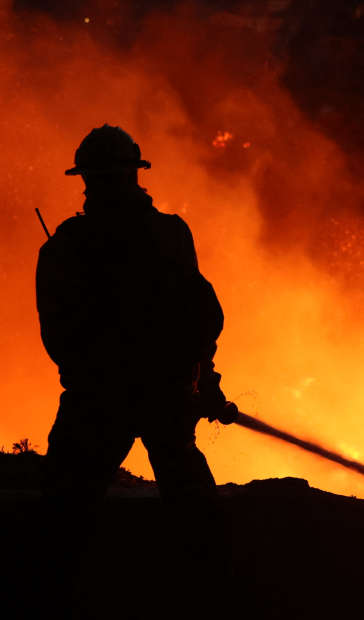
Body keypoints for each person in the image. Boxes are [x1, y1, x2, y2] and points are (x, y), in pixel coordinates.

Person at [35, 124, 237, 612]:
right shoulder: (169, 234)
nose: (98, 188)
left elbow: (57, 335)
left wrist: (93, 380)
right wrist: (197, 383)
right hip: (160, 395)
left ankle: (52, 601)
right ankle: (223, 600)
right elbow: (200, 319)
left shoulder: (64, 246)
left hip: (98, 400)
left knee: (65, 512)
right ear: (136, 173)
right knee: (193, 508)